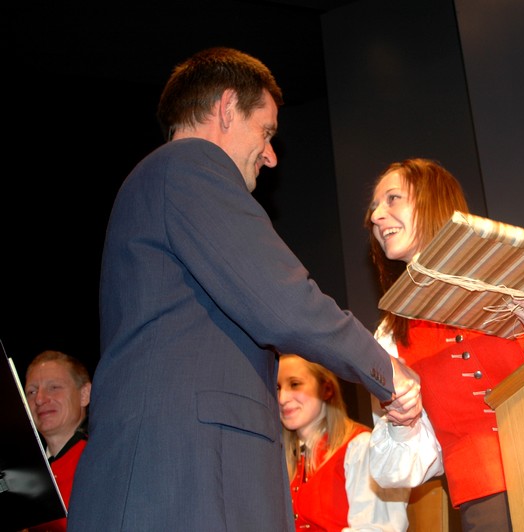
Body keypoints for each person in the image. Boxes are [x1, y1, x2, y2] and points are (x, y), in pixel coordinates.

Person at [66, 47, 422, 532]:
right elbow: (285, 302)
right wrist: (388, 372)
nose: (271, 156)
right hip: (182, 479)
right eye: (267, 132)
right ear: (227, 107)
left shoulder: (156, 183)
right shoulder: (190, 165)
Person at [365, 158, 524, 531]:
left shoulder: (522, 274)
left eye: (392, 199)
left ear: (434, 200)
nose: (376, 216)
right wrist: (404, 420)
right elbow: (403, 466)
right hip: (486, 503)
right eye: (374, 207)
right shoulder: (390, 335)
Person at [279, 353, 425, 531]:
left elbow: (377, 528)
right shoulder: (281, 461)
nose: (282, 398)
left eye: (295, 384)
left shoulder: (361, 447)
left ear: (327, 389)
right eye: (277, 387)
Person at [24, 350, 92, 532]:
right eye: (31, 391)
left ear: (84, 394)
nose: (39, 399)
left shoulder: (102, 460)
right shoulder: (22, 476)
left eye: (54, 387)